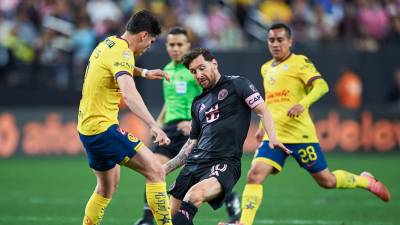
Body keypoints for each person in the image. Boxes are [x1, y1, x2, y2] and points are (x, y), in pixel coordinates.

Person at [223, 23, 391, 225]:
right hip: (275, 135)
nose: (275, 44)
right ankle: (244, 223)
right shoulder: (266, 68)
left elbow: (322, 86)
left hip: (300, 135)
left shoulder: (299, 62)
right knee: (255, 175)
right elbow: (269, 100)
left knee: (327, 181)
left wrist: (303, 104)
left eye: (280, 40)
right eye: (271, 40)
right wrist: (261, 127)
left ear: (290, 41)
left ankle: (366, 181)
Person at [162, 48, 291, 225]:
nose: (198, 75)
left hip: (224, 163)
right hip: (194, 163)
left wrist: (273, 137)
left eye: (201, 68)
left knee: (194, 196)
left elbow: (264, 111)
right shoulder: (198, 103)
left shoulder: (238, 85)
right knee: (169, 218)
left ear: (214, 63)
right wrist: (166, 168)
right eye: (193, 72)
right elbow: (192, 143)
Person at [134, 27, 242, 225]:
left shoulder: (195, 71)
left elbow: (208, 100)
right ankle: (148, 218)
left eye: (179, 44)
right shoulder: (166, 70)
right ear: (166, 46)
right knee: (154, 168)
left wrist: (193, 122)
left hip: (193, 129)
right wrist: (157, 125)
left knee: (199, 173)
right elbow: (170, 101)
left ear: (187, 46)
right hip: (170, 128)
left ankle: (228, 195)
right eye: (171, 44)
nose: (175, 48)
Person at [77, 10, 174, 225]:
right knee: (156, 171)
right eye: (151, 41)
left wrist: (146, 73)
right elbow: (130, 94)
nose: (149, 46)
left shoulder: (109, 43)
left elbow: (118, 66)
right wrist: (153, 125)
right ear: (143, 35)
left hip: (87, 128)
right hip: (102, 129)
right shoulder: (124, 54)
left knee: (107, 187)